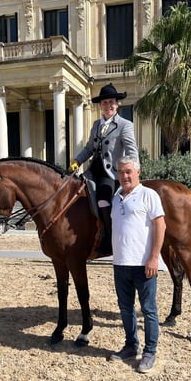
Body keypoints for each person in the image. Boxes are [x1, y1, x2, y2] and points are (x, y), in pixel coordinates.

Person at [108, 155, 166, 374]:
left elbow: (160, 226)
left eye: (128, 171)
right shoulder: (116, 197)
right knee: (125, 308)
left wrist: (153, 257)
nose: (124, 176)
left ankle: (150, 352)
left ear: (138, 172)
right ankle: (131, 345)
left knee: (149, 309)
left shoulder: (148, 195)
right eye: (121, 172)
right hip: (121, 263)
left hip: (143, 264)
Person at [69, 83, 138, 256]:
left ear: (117, 104)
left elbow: (131, 150)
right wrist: (76, 160)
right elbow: (89, 149)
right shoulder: (96, 125)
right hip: (93, 170)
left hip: (111, 173)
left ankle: (108, 239)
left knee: (103, 200)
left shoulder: (124, 125)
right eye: (105, 103)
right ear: (101, 105)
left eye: (111, 102)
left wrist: (134, 170)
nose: (108, 106)